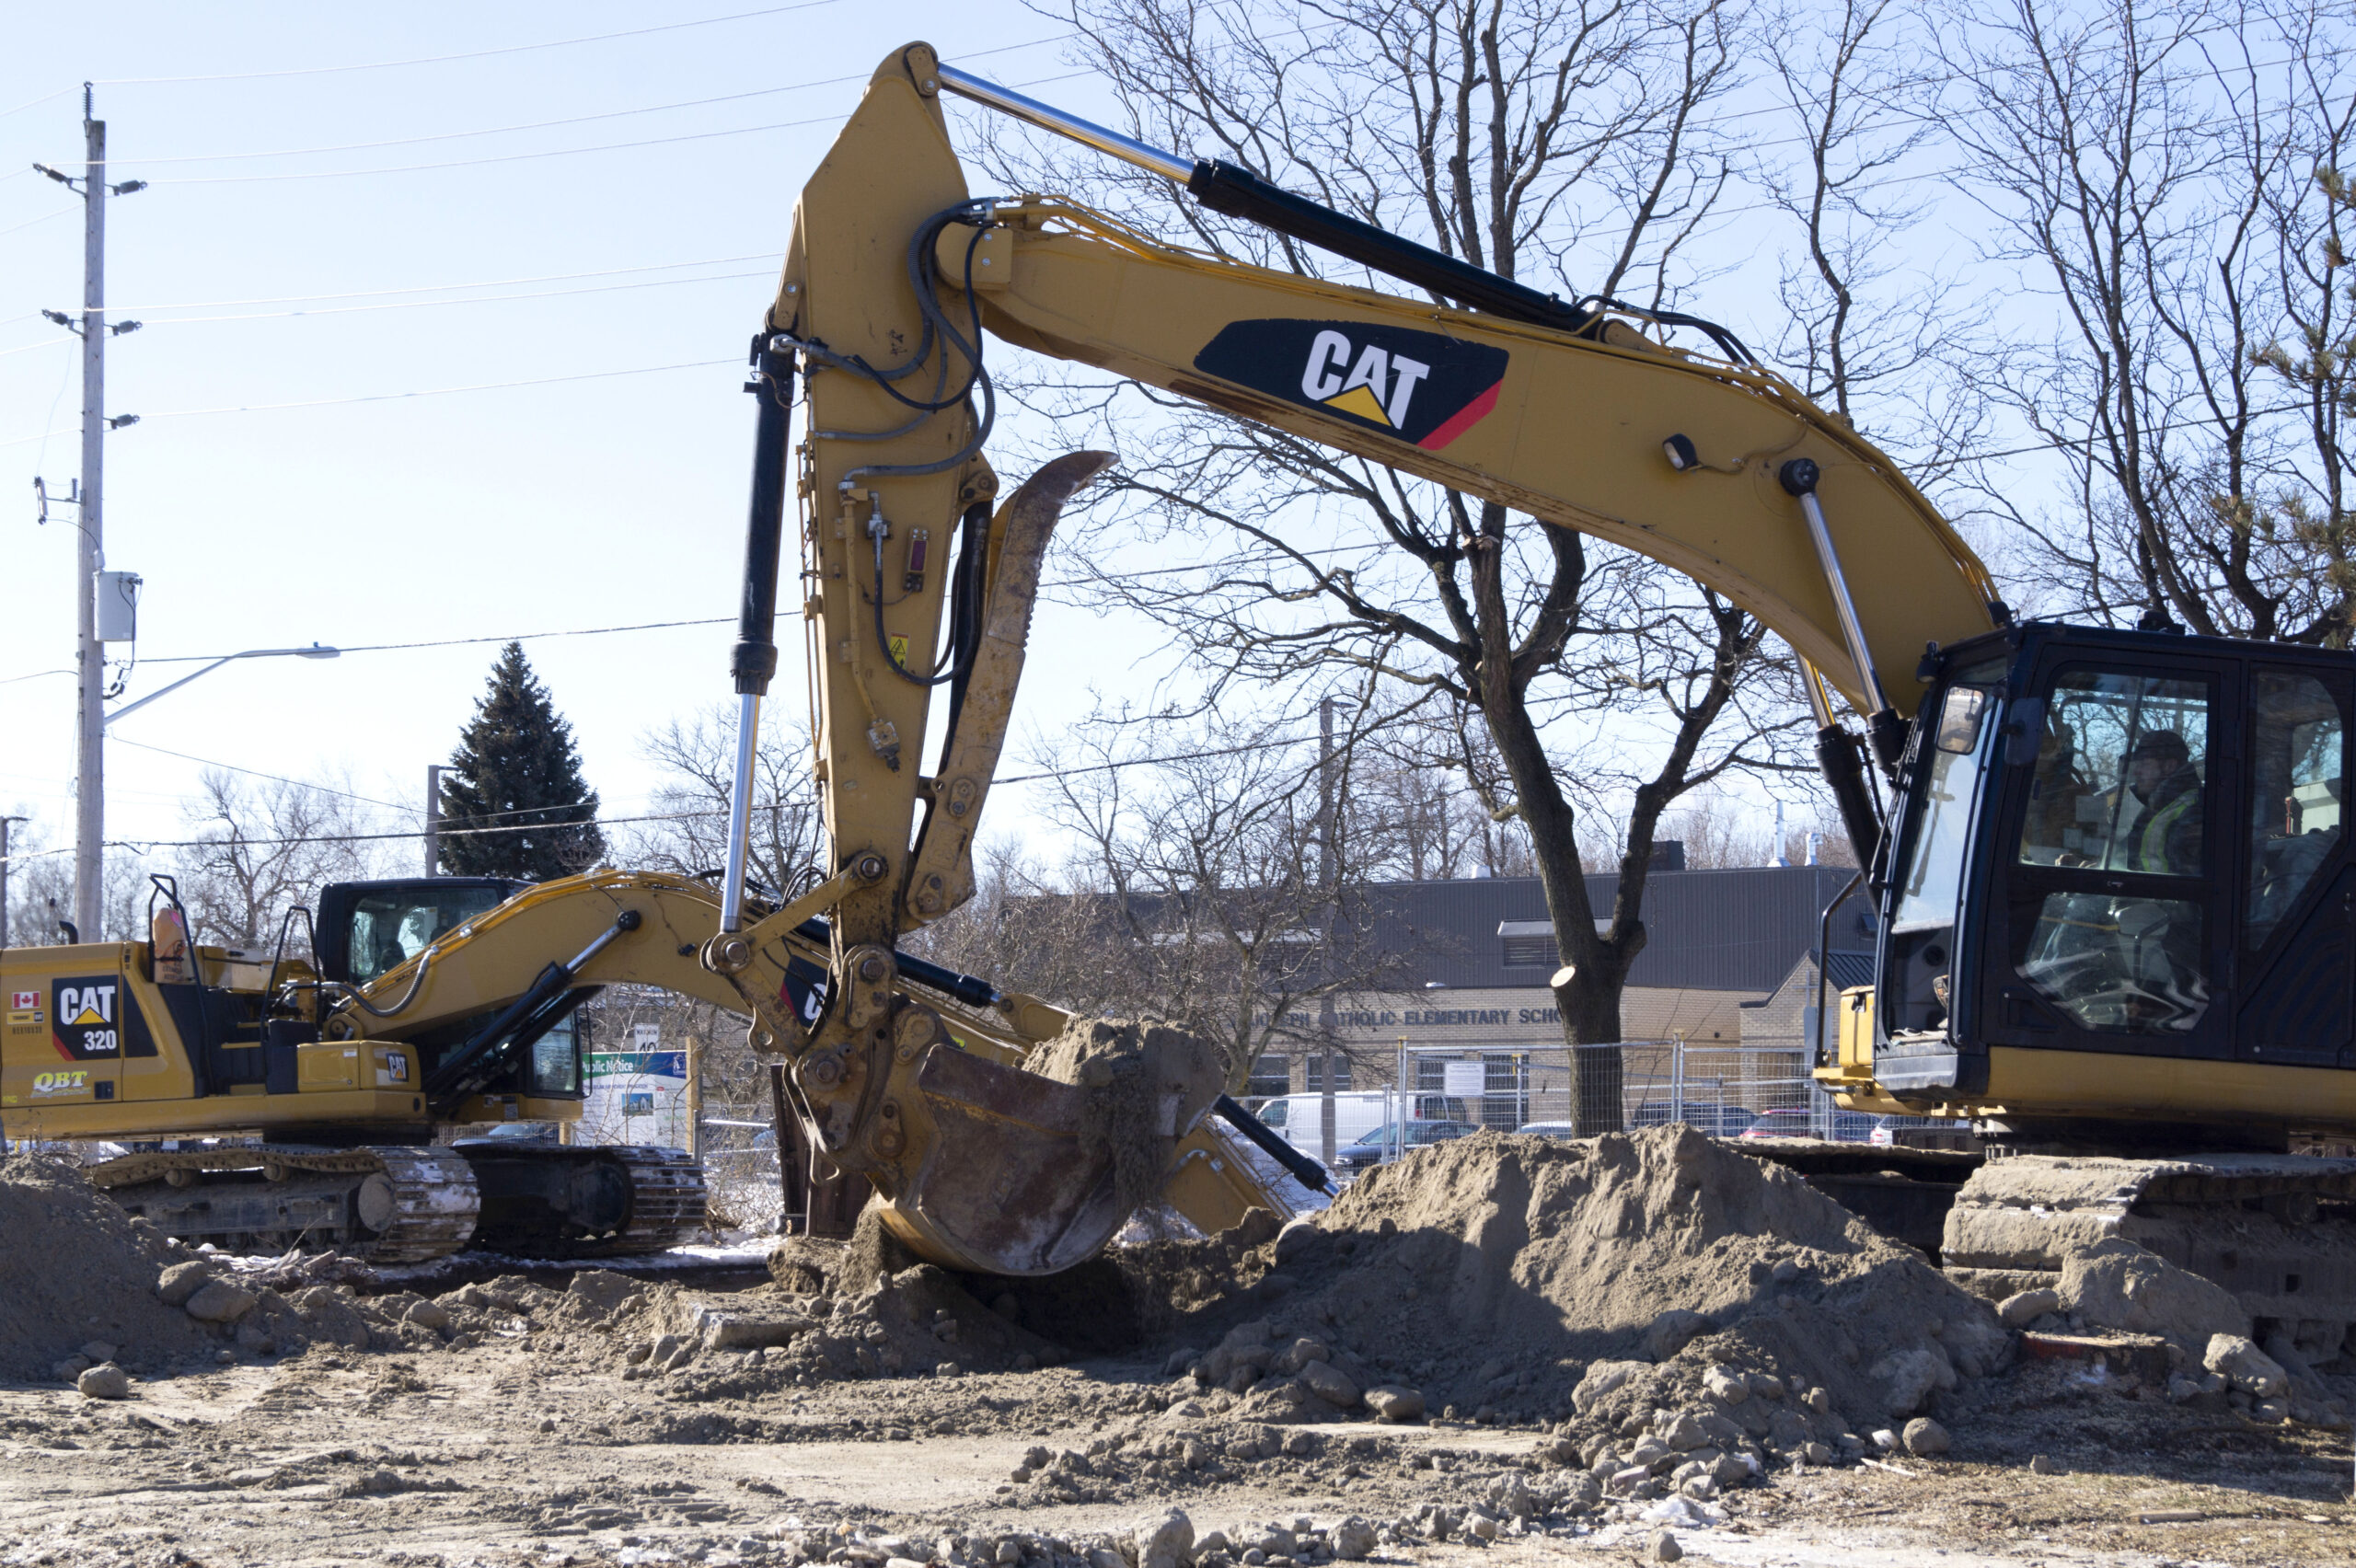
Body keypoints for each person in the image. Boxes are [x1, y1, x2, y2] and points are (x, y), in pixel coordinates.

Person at [2124, 729, 2201, 875]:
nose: (2136, 772)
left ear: (2169, 766)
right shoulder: (2157, 807)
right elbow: (2132, 857)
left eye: (2144, 764)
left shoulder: (2193, 812)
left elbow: (2186, 882)